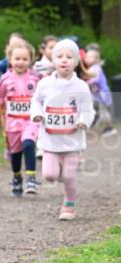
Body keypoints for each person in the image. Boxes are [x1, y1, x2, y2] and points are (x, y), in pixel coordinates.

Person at [30, 39, 94, 220]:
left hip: (72, 141)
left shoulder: (81, 86)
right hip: (51, 140)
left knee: (68, 176)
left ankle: (69, 203)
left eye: (69, 57)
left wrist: (83, 121)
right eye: (59, 56)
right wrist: (36, 114)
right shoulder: (45, 84)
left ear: (76, 62)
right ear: (53, 60)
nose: (64, 60)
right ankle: (60, 175)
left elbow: (88, 109)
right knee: (50, 175)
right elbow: (35, 101)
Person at [0, 40, 41, 196]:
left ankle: (31, 178)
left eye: (24, 59)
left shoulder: (36, 78)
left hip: (31, 121)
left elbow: (46, 95)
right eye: (17, 59)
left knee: (29, 144)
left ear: (30, 60)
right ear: (10, 60)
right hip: (13, 123)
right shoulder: (5, 79)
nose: (20, 62)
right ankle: (16, 177)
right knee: (15, 154)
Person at [0, 32, 27, 157]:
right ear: (7, 49)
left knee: (25, 125)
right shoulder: (2, 65)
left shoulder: (26, 65)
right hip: (5, 103)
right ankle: (9, 147)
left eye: (19, 46)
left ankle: (23, 146)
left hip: (22, 102)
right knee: (7, 127)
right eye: (12, 47)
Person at [84, 43, 115, 135]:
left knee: (104, 112)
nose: (87, 59)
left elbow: (95, 79)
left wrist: (86, 82)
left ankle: (110, 127)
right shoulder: (91, 68)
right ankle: (95, 117)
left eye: (90, 57)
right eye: (87, 57)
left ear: (96, 59)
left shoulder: (96, 68)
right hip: (97, 94)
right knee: (93, 105)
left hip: (102, 94)